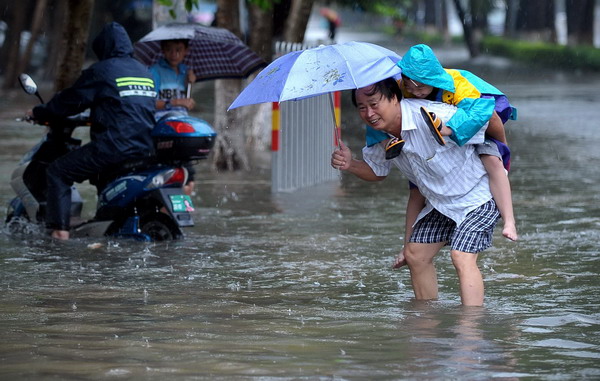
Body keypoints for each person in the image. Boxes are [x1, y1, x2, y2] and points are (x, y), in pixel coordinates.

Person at [331, 78, 501, 306]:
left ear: (394, 98)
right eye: (362, 107)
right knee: (415, 255)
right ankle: (426, 322)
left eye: (374, 104)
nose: (369, 113)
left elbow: (487, 117)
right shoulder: (378, 134)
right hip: (440, 203)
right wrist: (350, 164)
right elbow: (377, 172)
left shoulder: (432, 114)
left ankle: (470, 331)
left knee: (461, 256)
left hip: (478, 196)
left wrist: (502, 151)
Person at [369, 44, 518, 241]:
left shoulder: (457, 83)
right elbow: (381, 115)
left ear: (433, 80)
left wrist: (449, 129)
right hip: (427, 139)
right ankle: (408, 246)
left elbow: (486, 114)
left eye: (421, 87)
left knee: (492, 159)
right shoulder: (399, 87)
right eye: (411, 87)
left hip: (474, 124)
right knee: (416, 185)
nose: (416, 92)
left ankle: (509, 222)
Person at [28, 22, 157, 241]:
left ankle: (59, 233)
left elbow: (69, 101)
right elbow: (126, 107)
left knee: (58, 171)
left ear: (102, 47)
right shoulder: (143, 70)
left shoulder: (102, 70)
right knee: (100, 174)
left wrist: (40, 112)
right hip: (145, 148)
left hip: (113, 146)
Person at [149, 39, 197, 195]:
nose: (174, 54)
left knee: (189, 175)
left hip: (183, 129)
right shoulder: (154, 72)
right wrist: (174, 102)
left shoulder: (186, 72)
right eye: (169, 49)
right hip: (163, 128)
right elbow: (149, 102)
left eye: (178, 50)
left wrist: (190, 85)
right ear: (163, 50)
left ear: (186, 51)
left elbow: (186, 102)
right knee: (166, 171)